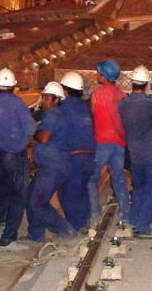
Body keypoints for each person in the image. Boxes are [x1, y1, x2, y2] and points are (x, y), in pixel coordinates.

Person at [0, 68, 37, 249]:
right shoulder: (18, 104)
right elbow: (30, 130)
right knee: (17, 196)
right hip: (15, 156)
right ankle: (8, 238)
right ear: (13, 87)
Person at [26, 82, 76, 242]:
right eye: (44, 97)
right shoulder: (58, 114)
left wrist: (32, 132)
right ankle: (35, 234)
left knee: (38, 202)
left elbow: (44, 137)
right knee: (30, 197)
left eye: (47, 97)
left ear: (56, 100)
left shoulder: (52, 115)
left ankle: (65, 230)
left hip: (53, 166)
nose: (44, 100)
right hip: (52, 165)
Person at [119, 66, 152, 238]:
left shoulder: (123, 104)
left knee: (138, 188)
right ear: (146, 84)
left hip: (134, 154)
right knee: (151, 190)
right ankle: (143, 227)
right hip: (151, 153)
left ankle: (134, 220)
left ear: (131, 83)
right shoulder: (151, 104)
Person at [87, 59, 131, 225]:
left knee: (92, 179)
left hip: (101, 143)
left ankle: (95, 215)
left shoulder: (97, 95)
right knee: (119, 178)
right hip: (118, 144)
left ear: (104, 76)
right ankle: (125, 215)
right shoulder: (122, 96)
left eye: (98, 73)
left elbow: (93, 116)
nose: (96, 75)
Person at [57, 72, 95, 232]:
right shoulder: (85, 107)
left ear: (65, 90)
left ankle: (75, 227)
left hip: (74, 157)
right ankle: (85, 222)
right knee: (82, 191)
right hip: (90, 155)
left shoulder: (63, 108)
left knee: (68, 193)